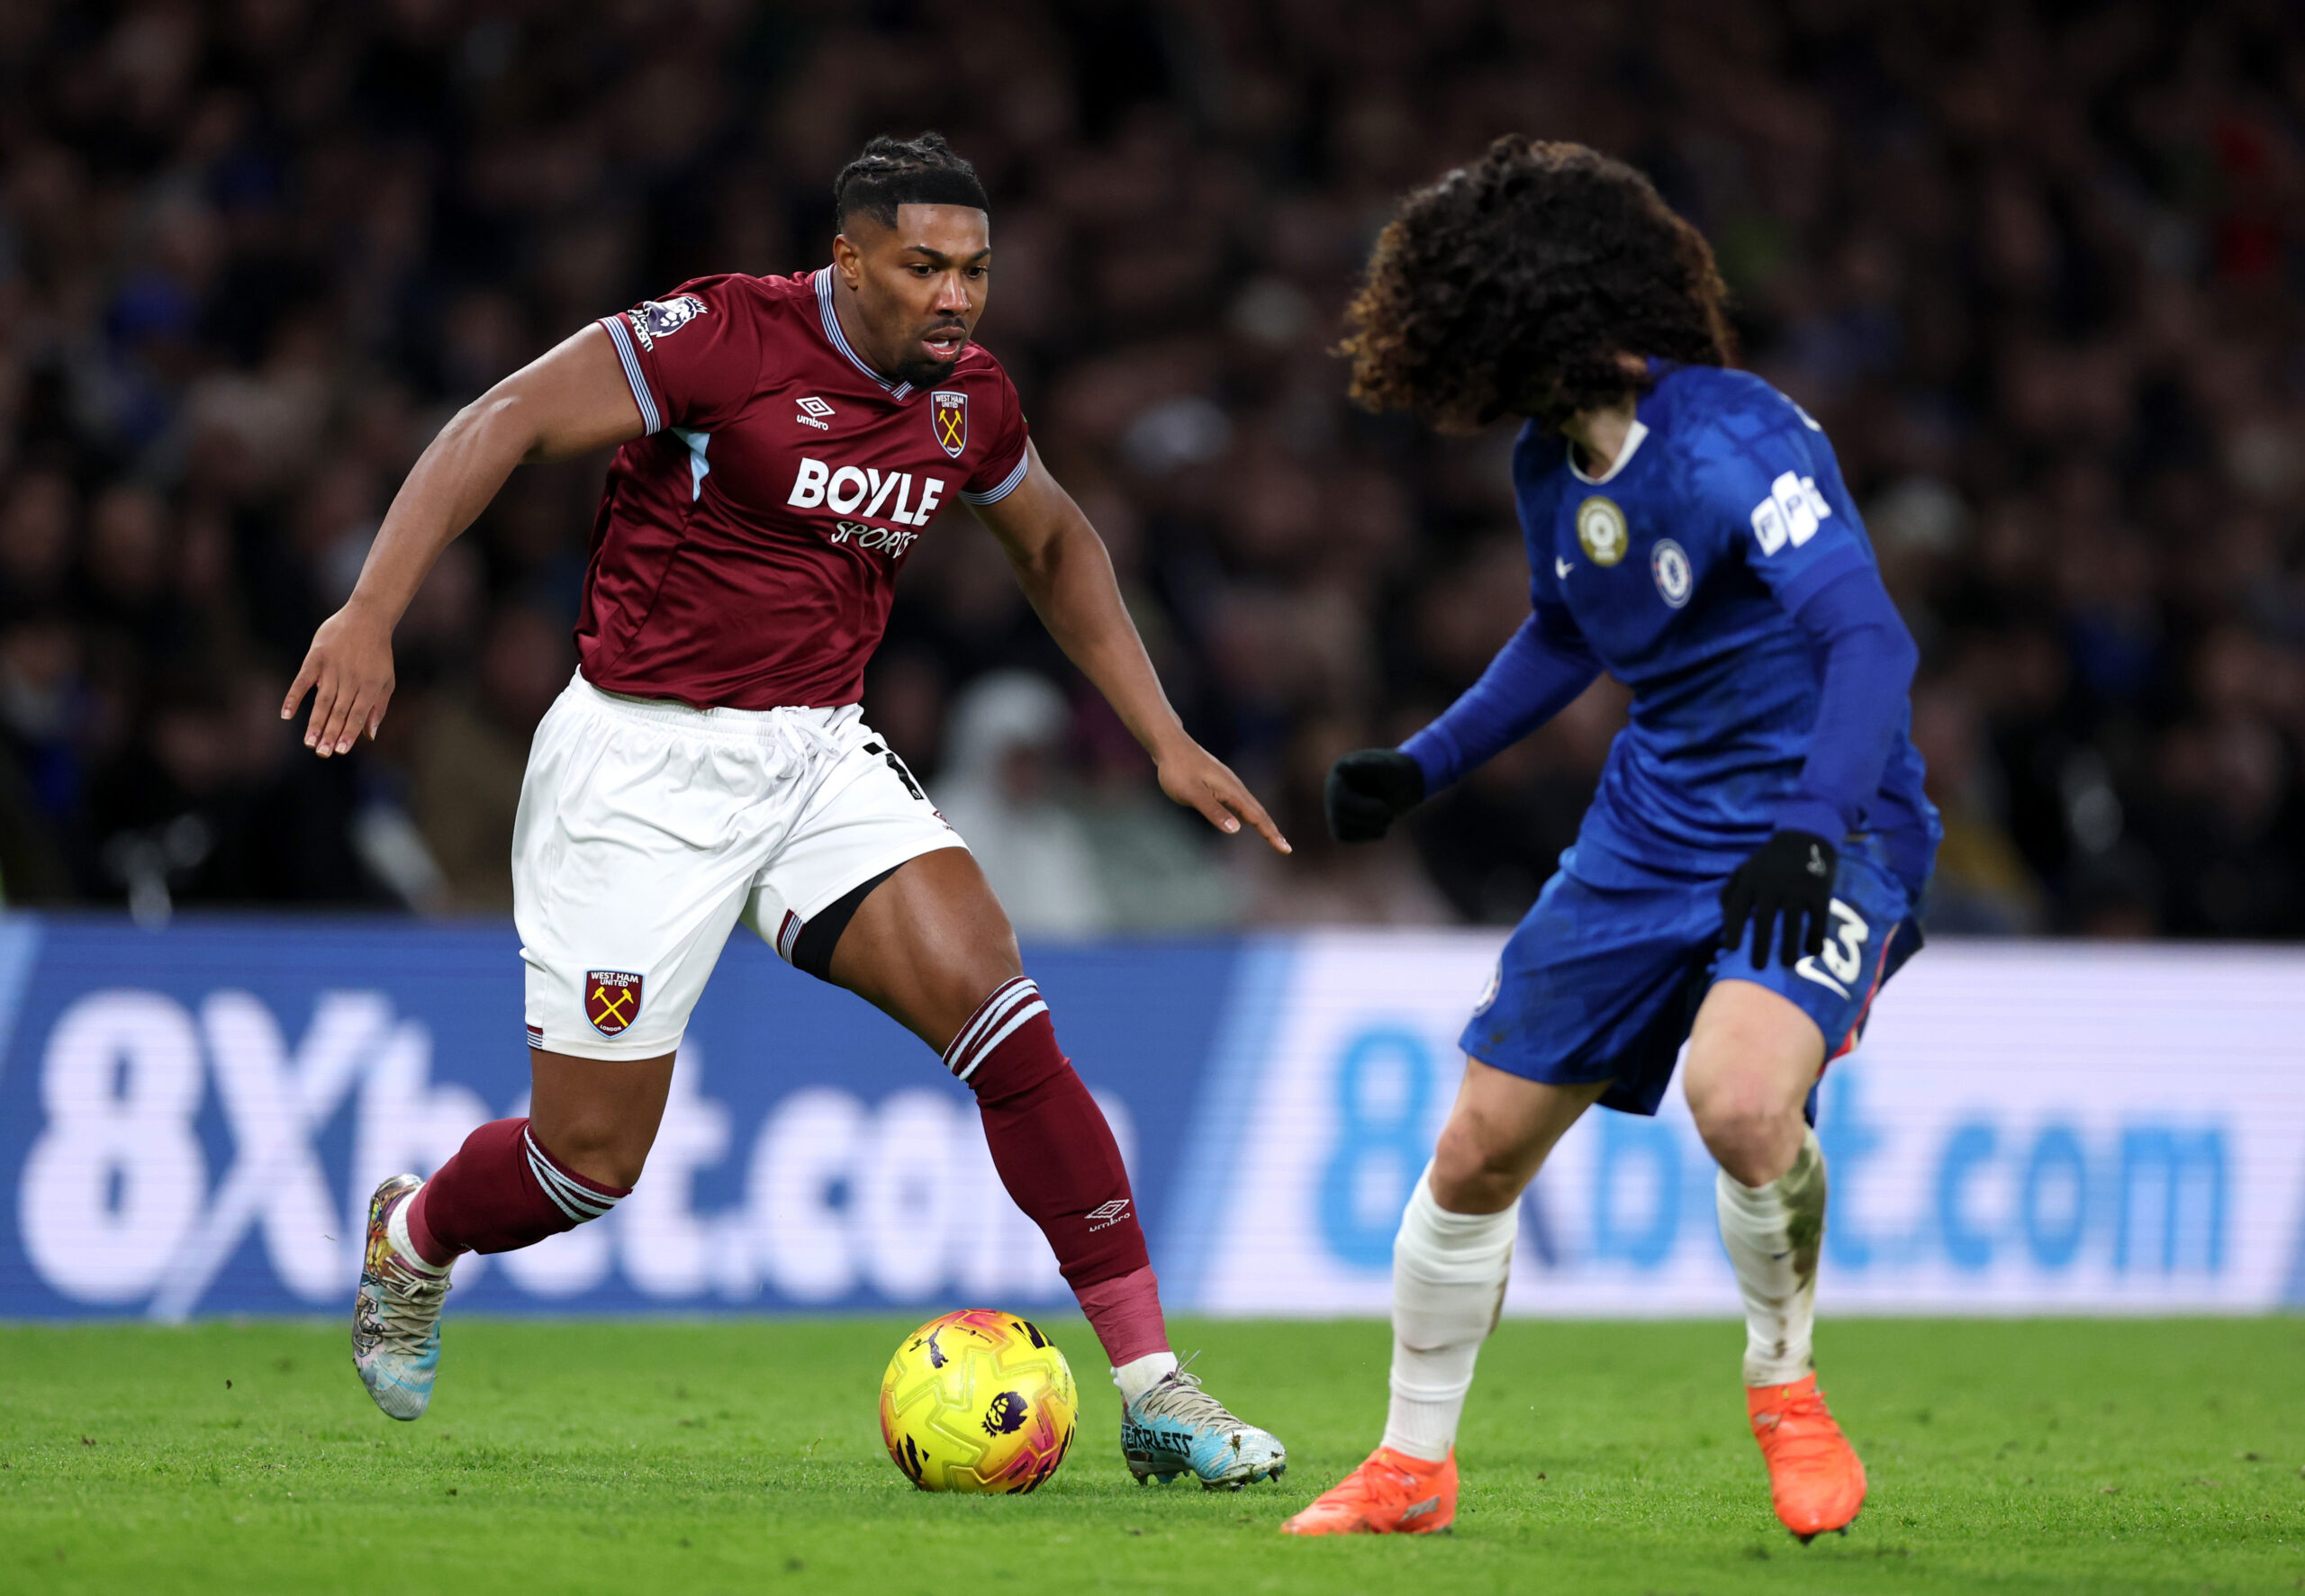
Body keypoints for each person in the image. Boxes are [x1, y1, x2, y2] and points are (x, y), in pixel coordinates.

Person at [286, 133, 1291, 1491]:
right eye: (925, 267)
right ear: (851, 260)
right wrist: (371, 609)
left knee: (1006, 1016)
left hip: (817, 755)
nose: (956, 297)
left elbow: (1054, 540)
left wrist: (1163, 733)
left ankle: (1154, 1385)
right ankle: (417, 1236)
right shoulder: (722, 336)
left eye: (977, 271)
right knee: (587, 1163)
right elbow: (502, 419)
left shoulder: (969, 404)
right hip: (637, 770)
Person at [1284, 138, 1939, 1541]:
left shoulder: (1736, 438)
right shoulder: (1547, 461)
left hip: (1824, 819)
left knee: (1742, 1102)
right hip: (1650, 830)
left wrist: (1816, 829)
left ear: (1524, 311)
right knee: (1473, 1151)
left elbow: (1870, 643)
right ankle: (1410, 1466)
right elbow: (1570, 629)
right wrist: (1424, 763)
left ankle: (1786, 1386)